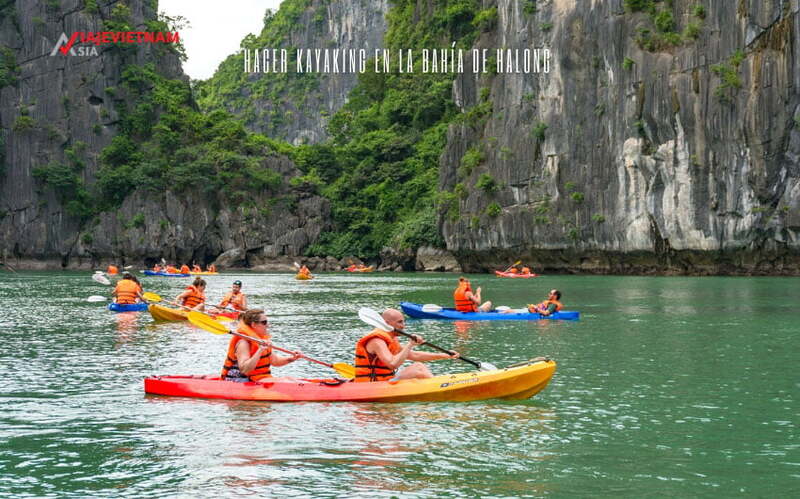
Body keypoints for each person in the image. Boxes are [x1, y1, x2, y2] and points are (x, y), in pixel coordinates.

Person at [354, 308, 459, 382]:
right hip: (373, 384)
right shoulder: (377, 341)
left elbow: (414, 355)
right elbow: (392, 364)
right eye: (400, 322)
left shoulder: (392, 338)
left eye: (404, 322)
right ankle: (438, 386)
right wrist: (410, 344)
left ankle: (436, 384)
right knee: (418, 367)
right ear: (387, 323)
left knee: (419, 366)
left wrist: (445, 355)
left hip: (385, 379)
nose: (403, 326)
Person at [220, 309, 302, 382]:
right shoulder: (243, 343)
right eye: (264, 322)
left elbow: (275, 361)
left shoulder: (261, 340)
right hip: (241, 379)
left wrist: (292, 358)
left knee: (289, 379)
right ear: (254, 325)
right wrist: (260, 350)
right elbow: (244, 370)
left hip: (259, 377)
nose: (267, 325)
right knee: (285, 380)